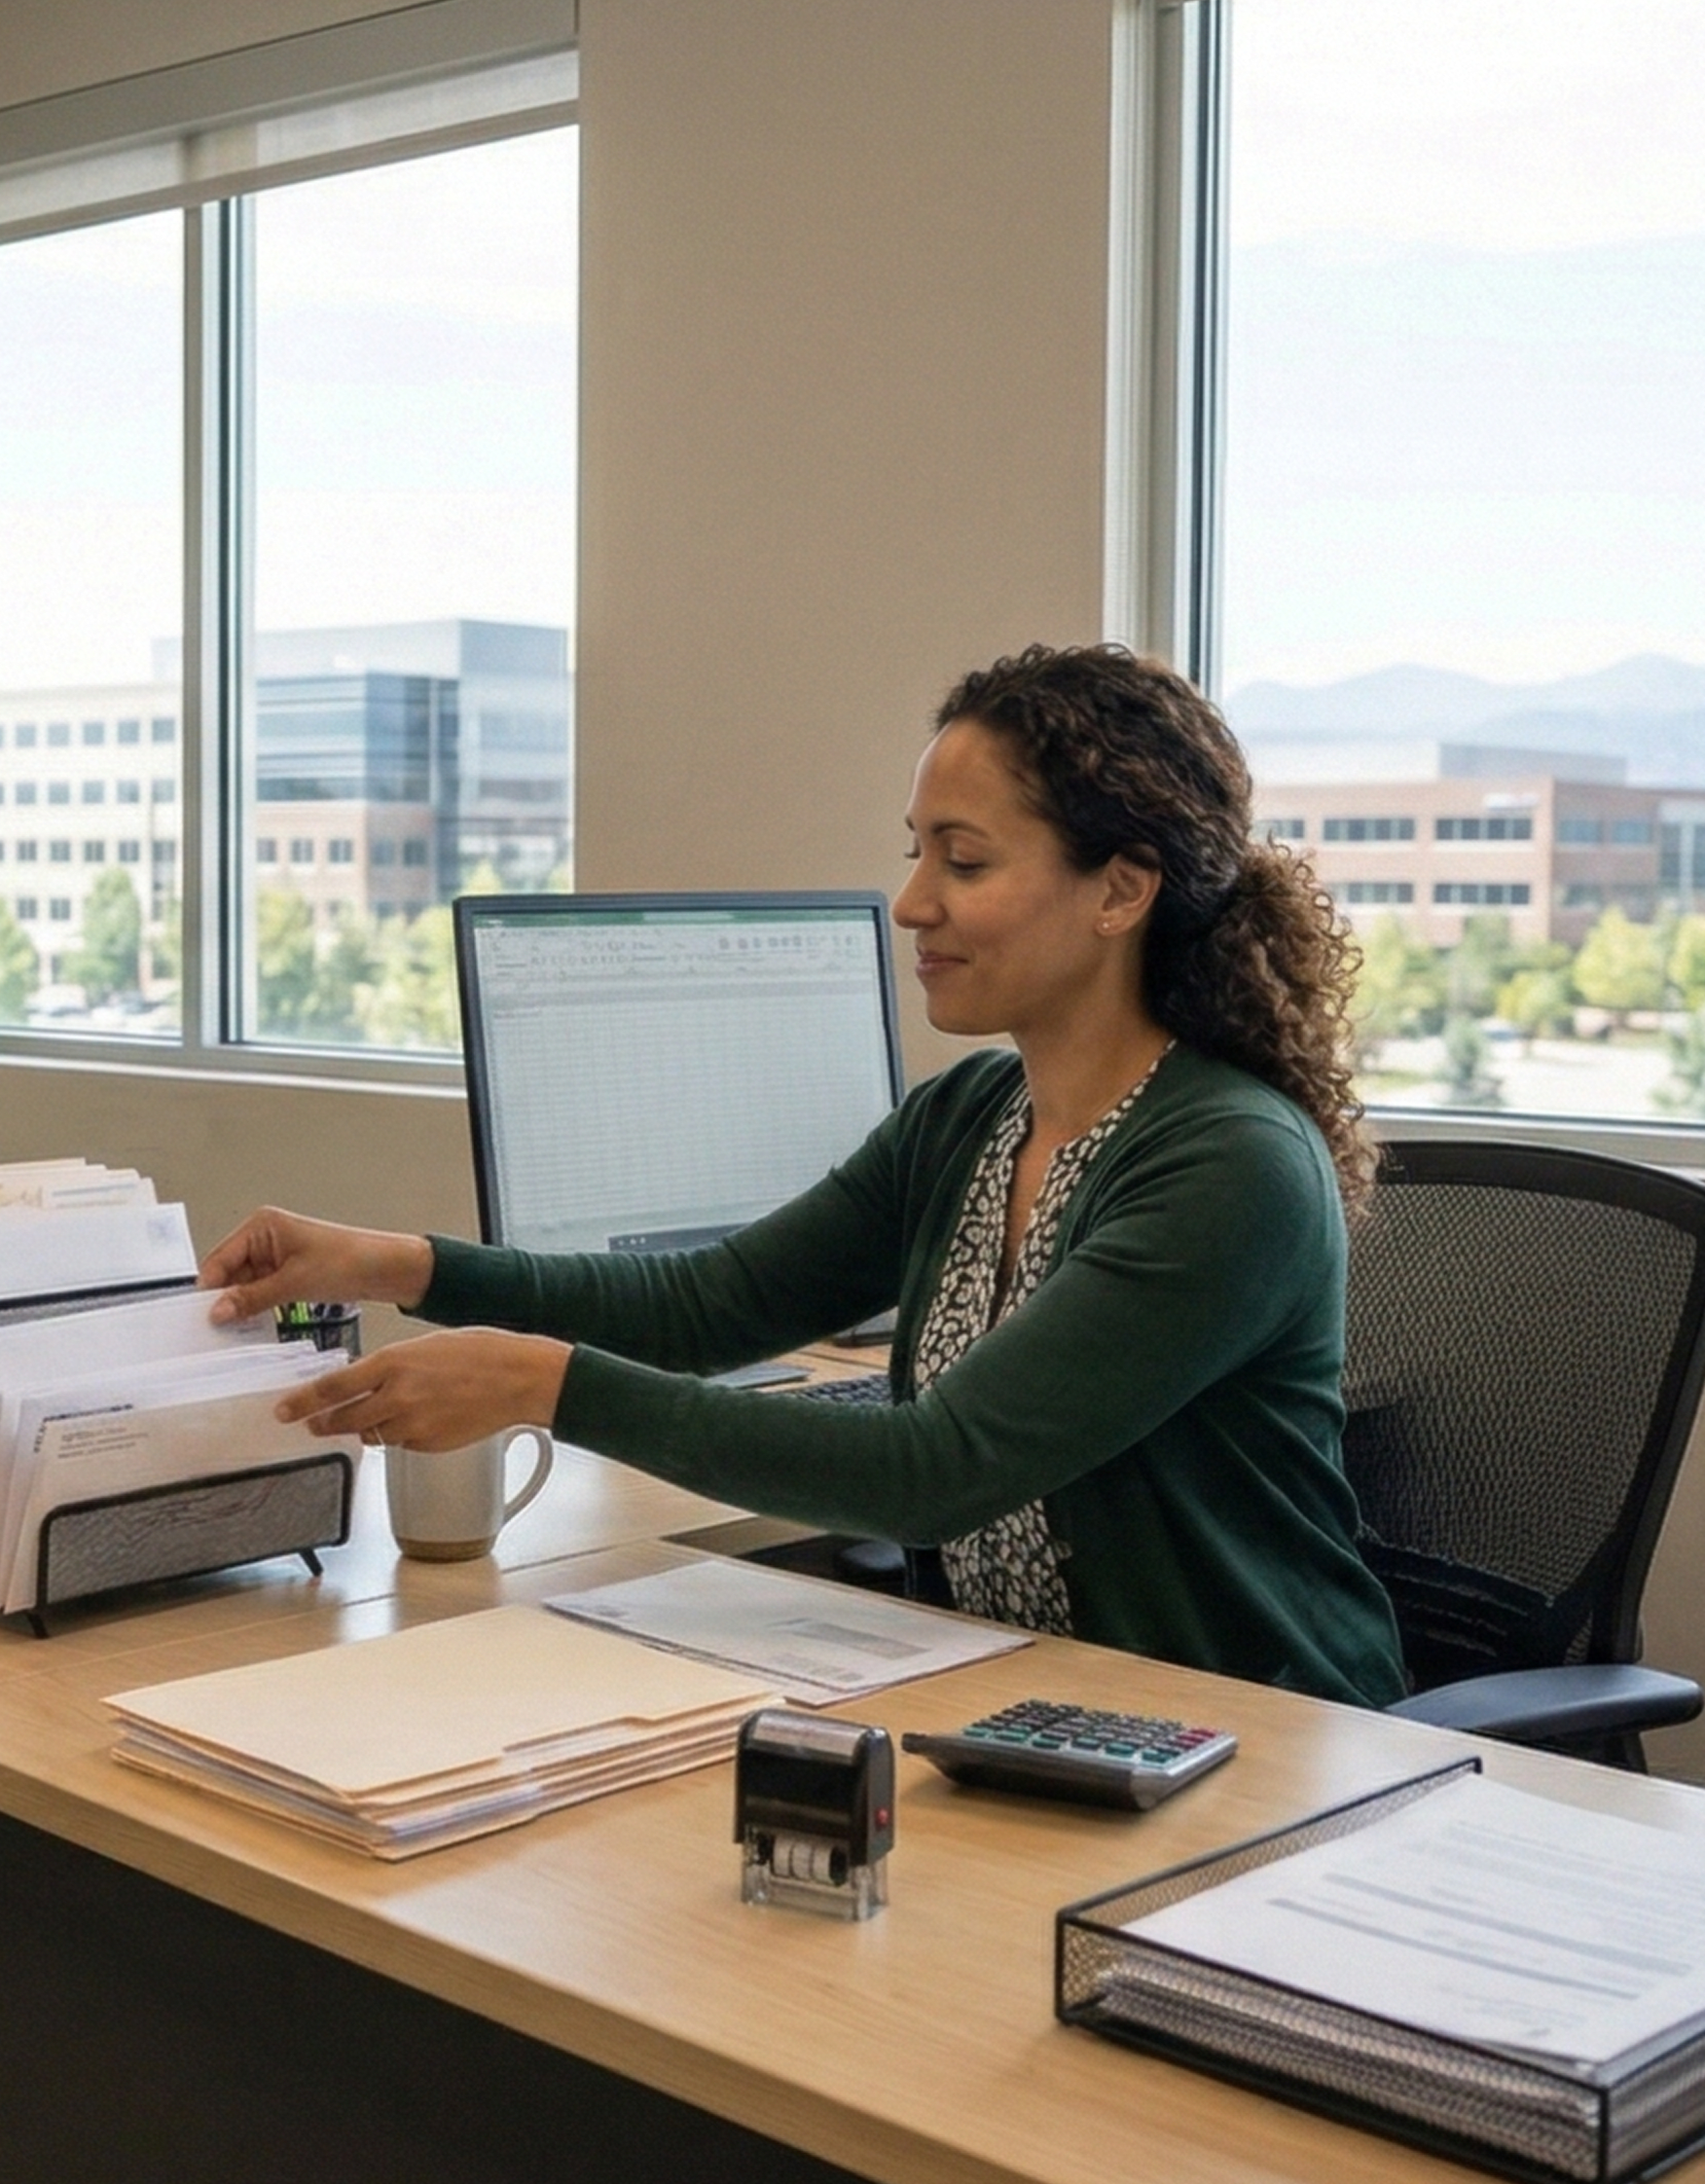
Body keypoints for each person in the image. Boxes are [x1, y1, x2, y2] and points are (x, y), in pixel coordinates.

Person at [200, 643, 1407, 1706]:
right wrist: (395, 1263)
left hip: (1256, 1738)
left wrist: (545, 1385)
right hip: (1027, 1710)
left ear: (1123, 890)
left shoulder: (1230, 1165)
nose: (909, 902)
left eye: (966, 863)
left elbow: (928, 1474)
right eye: (915, 854)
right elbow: (707, 1305)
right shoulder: (970, 1119)